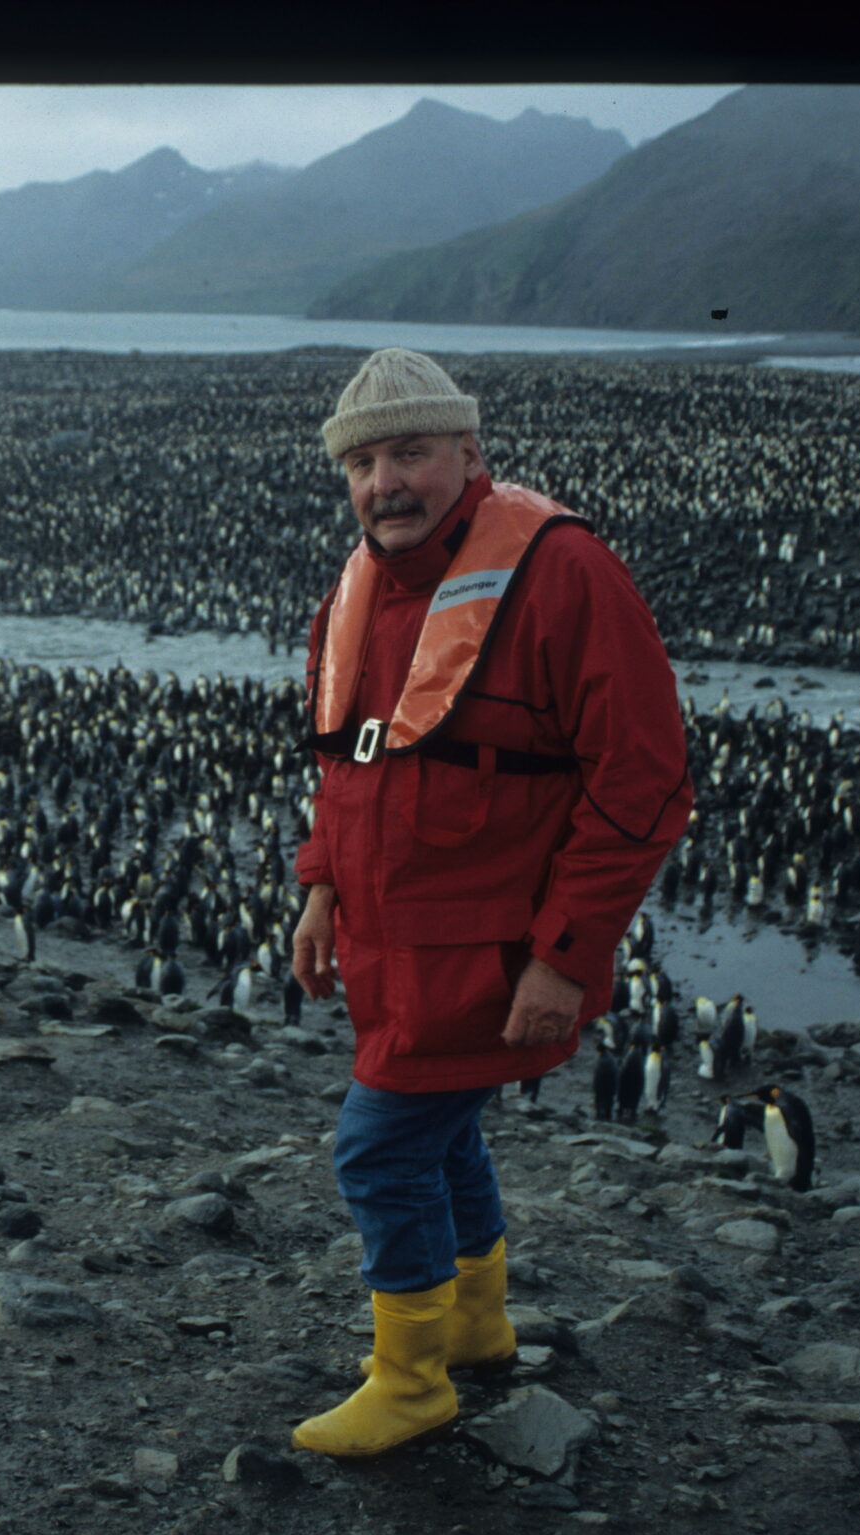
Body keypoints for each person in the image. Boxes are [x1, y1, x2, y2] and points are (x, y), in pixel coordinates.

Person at [287, 349, 693, 1458]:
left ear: (470, 451)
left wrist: (565, 956)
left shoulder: (562, 573)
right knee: (442, 1128)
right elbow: (347, 763)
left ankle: (410, 1380)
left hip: (494, 955)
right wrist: (319, 886)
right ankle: (473, 1323)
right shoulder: (357, 591)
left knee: (379, 1148)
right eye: (362, 464)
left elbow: (646, 778)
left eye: (410, 453)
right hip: (394, 947)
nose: (385, 484)